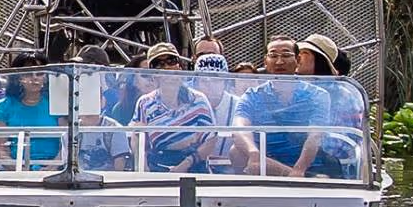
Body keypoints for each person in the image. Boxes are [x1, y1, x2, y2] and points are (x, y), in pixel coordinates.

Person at [226, 36, 329, 177]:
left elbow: (315, 135)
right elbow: (239, 128)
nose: (279, 61)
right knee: (236, 151)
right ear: (265, 61)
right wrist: (254, 153)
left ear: (298, 60)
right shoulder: (253, 95)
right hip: (265, 166)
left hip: (308, 168)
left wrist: (299, 169)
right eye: (273, 56)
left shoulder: (317, 95)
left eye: (286, 55)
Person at [128, 42, 213, 171]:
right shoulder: (144, 103)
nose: (167, 67)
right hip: (157, 166)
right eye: (159, 64)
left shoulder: (198, 100)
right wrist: (143, 169)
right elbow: (137, 136)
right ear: (152, 74)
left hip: (193, 165)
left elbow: (211, 139)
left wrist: (185, 165)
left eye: (171, 61)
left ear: (179, 66)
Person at [296, 33, 364, 179]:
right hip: (301, 160)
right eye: (298, 53)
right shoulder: (299, 88)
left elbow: (333, 146)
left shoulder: (340, 94)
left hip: (332, 167)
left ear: (320, 60)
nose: (298, 57)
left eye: (305, 53)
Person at [0, 51, 62, 168]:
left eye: (39, 73)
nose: (34, 78)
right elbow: (2, 151)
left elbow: (66, 146)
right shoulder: (3, 106)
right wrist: (22, 172)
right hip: (17, 171)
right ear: (17, 77)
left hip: (55, 170)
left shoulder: (57, 103)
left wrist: (50, 169)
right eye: (28, 73)